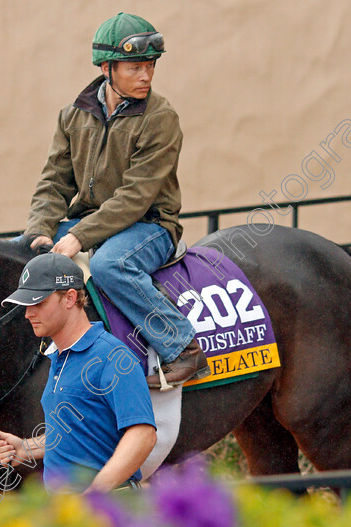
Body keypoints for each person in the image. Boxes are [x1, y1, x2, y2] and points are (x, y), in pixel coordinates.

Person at [22, 12, 209, 388]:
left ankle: (182, 348)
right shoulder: (73, 115)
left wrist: (80, 236)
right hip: (92, 221)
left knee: (110, 265)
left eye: (150, 66)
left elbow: (136, 197)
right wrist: (39, 231)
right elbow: (54, 181)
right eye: (135, 67)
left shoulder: (161, 118)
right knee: (16, 254)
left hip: (151, 225)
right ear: (107, 68)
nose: (146, 76)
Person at [0, 253, 157, 493]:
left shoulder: (113, 356)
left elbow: (143, 435)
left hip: (108, 508)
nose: (28, 314)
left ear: (69, 298)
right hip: (68, 512)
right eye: (26, 305)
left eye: (38, 302)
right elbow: (77, 430)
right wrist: (26, 449)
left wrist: (94, 495)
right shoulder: (59, 357)